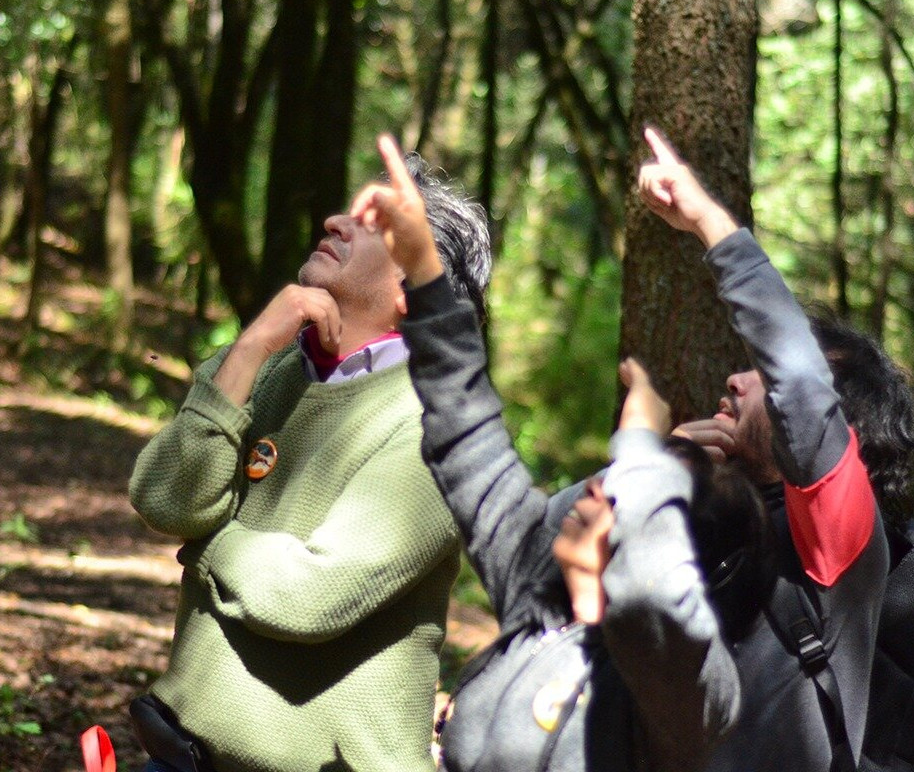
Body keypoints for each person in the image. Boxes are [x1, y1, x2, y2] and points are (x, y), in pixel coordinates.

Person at [350, 134, 770, 772]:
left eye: (627, 498)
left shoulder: (685, 696)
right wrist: (427, 273)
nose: (598, 489)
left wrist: (641, 447)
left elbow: (656, 598)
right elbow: (469, 437)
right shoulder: (539, 593)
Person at [126, 153, 492, 772]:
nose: (334, 222)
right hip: (183, 752)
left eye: (369, 222)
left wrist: (207, 540)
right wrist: (248, 348)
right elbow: (165, 499)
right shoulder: (269, 363)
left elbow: (308, 595)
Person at [637, 126, 914, 772]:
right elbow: (550, 546)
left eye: (758, 375)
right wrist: (653, 475)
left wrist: (707, 221)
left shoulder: (840, 538)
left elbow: (797, 378)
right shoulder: (715, 509)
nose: (736, 380)